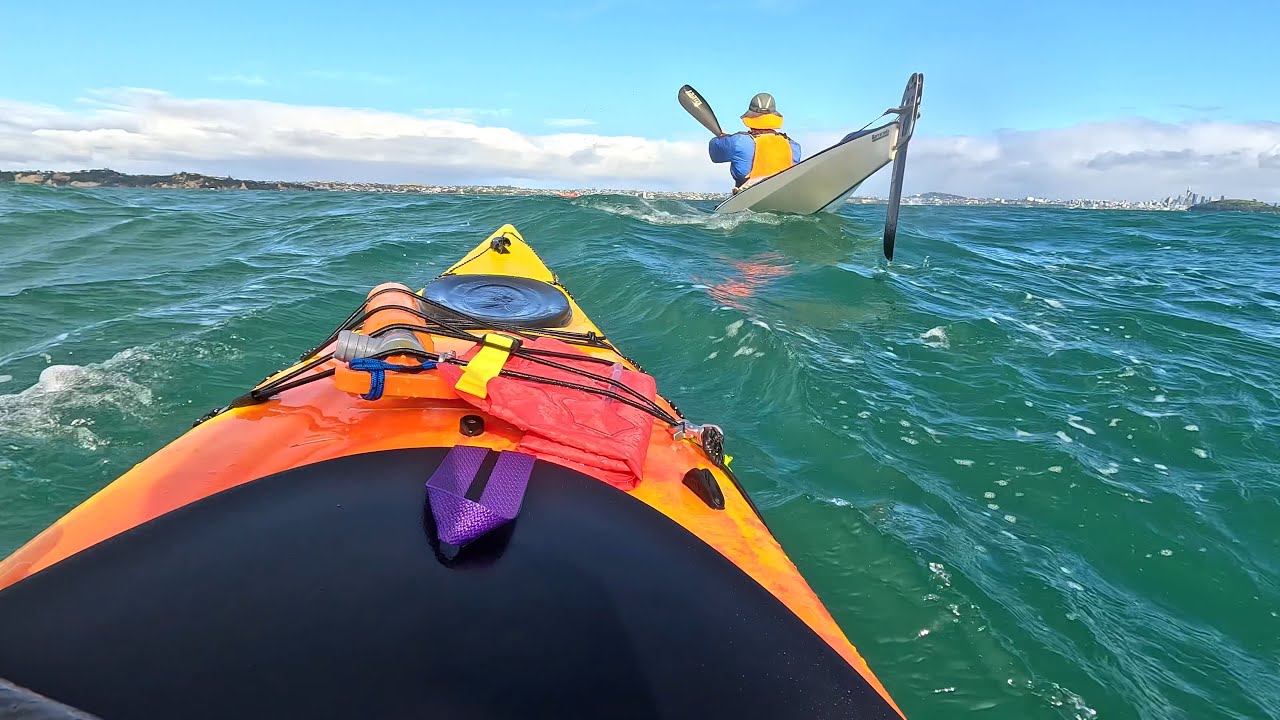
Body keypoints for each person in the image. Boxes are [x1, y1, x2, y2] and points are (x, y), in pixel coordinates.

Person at [708, 93, 801, 192]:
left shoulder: (738, 141)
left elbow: (714, 154)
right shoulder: (794, 146)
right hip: (783, 192)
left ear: (750, 117)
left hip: (747, 194)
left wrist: (723, 138)